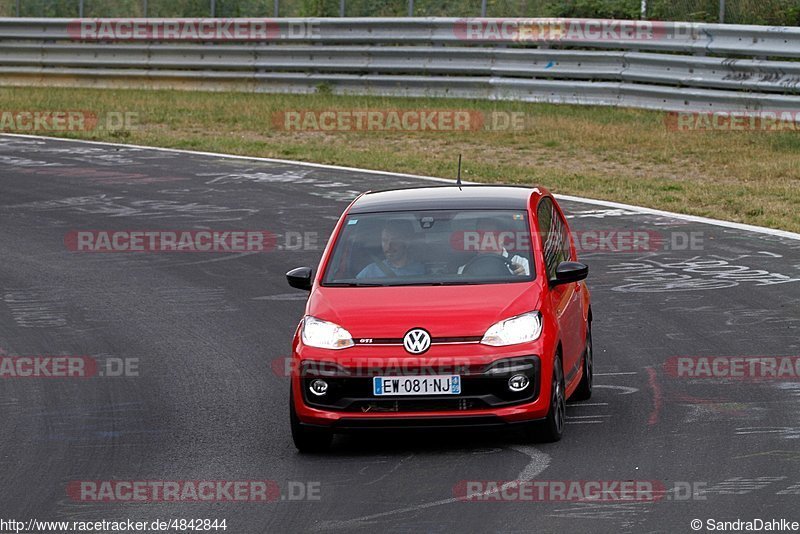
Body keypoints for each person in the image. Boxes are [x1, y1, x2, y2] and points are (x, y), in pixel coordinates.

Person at [458, 217, 530, 276]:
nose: (485, 238)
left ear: (502, 238)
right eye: (480, 234)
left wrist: (522, 277)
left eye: (492, 234)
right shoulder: (465, 270)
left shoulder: (521, 263)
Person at [357, 220, 425, 279]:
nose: (388, 246)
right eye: (385, 240)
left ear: (406, 242)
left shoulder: (421, 271)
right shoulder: (370, 272)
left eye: (394, 240)